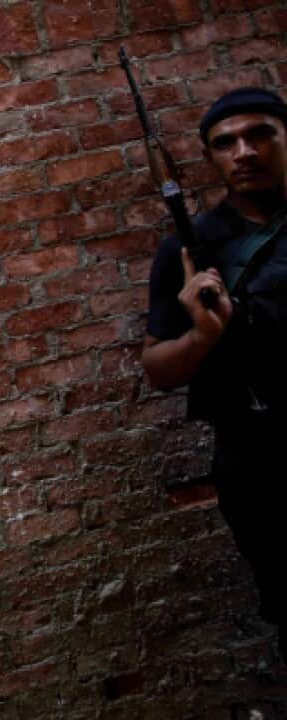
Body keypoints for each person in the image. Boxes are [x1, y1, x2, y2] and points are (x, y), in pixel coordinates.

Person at [141, 87, 287, 658]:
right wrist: (204, 334)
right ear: (211, 159)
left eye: (260, 135)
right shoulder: (190, 248)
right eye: (225, 144)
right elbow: (157, 370)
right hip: (262, 461)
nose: (243, 152)